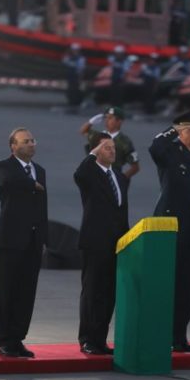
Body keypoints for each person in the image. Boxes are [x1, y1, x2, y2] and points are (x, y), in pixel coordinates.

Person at [150, 110, 190, 353]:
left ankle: (179, 336)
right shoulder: (170, 153)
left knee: (186, 286)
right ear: (182, 131)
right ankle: (161, 333)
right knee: (167, 284)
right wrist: (173, 129)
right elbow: (155, 146)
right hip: (170, 227)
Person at [0, 128, 48, 358]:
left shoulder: (40, 171)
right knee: (8, 291)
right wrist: (31, 184)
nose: (31, 144)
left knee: (26, 292)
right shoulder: (5, 166)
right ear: (13, 146)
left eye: (33, 140)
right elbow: (10, 182)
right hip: (9, 240)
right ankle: (4, 339)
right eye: (26, 141)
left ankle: (18, 339)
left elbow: (42, 206)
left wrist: (44, 237)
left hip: (32, 241)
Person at [73, 134, 129, 355]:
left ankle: (100, 339)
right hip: (95, 242)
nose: (112, 151)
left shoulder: (119, 176)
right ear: (95, 150)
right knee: (93, 291)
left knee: (108, 293)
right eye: (106, 147)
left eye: (113, 147)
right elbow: (80, 173)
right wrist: (93, 152)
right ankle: (87, 338)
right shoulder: (89, 173)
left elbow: (121, 211)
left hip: (116, 243)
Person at [79, 106, 140, 178]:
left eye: (110, 118)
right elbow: (83, 131)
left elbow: (135, 167)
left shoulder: (124, 142)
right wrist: (90, 122)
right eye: (106, 118)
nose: (107, 120)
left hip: (111, 177)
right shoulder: (98, 136)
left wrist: (121, 180)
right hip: (93, 177)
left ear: (119, 121)